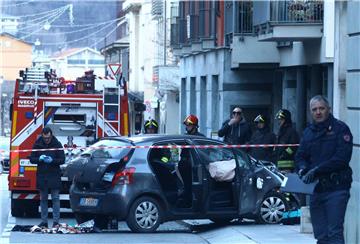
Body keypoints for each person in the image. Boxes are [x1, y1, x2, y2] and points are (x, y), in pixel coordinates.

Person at [295, 95, 353, 244]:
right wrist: (302, 170)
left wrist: (316, 170)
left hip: (336, 188)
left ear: (329, 109)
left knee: (334, 233)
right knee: (321, 235)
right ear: (310, 112)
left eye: (321, 108)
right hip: (316, 189)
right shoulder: (308, 132)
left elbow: (341, 158)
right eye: (314, 109)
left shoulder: (341, 129)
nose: (318, 112)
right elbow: (300, 156)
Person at [29, 127, 65, 228]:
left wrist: (52, 160)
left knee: (55, 199)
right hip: (42, 175)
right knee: (43, 199)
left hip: (54, 175)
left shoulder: (57, 144)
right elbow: (32, 158)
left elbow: (62, 160)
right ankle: (44, 222)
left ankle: (56, 222)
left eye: (48, 138)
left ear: (51, 135)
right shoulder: (37, 144)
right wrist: (39, 159)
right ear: (42, 136)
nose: (47, 140)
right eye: (45, 138)